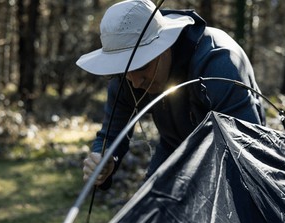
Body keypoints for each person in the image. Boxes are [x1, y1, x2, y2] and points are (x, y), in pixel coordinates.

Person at [77, 0, 265, 189]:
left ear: (165, 44)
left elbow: (247, 149)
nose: (135, 82)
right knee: (150, 211)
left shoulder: (218, 63)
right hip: (173, 147)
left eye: (141, 66)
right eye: (125, 71)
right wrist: (104, 160)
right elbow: (111, 135)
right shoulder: (125, 75)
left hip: (228, 153)